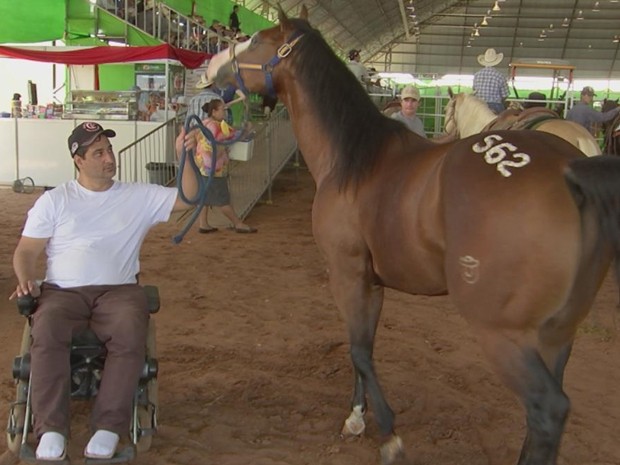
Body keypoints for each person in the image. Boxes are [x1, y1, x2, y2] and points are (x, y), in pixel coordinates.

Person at [9, 121, 198, 461]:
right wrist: (25, 278)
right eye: (98, 153)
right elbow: (25, 251)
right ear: (78, 160)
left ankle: (108, 427)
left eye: (109, 150)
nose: (109, 158)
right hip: (63, 292)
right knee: (47, 328)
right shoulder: (55, 200)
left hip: (118, 291)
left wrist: (185, 156)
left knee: (129, 329)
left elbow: (188, 198)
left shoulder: (137, 196)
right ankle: (51, 429)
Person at [194, 99, 257, 234]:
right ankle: (238, 223)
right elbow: (225, 139)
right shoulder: (214, 126)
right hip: (214, 168)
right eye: (222, 109)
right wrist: (244, 131)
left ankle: (203, 224)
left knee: (205, 197)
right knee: (222, 200)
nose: (225, 112)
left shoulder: (205, 123)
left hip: (205, 167)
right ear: (214, 111)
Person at [473, 48, 509, 115]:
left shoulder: (477, 75)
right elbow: (505, 95)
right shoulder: (500, 76)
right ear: (496, 62)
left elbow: (474, 90)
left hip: (479, 106)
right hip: (495, 106)